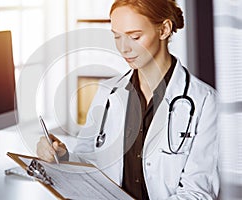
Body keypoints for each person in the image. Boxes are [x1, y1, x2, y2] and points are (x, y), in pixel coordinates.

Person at [37, 0, 220, 199]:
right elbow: (89, 168)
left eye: (135, 36)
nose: (123, 48)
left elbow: (198, 193)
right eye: (117, 36)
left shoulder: (205, 102)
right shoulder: (107, 92)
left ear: (164, 29)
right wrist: (63, 157)